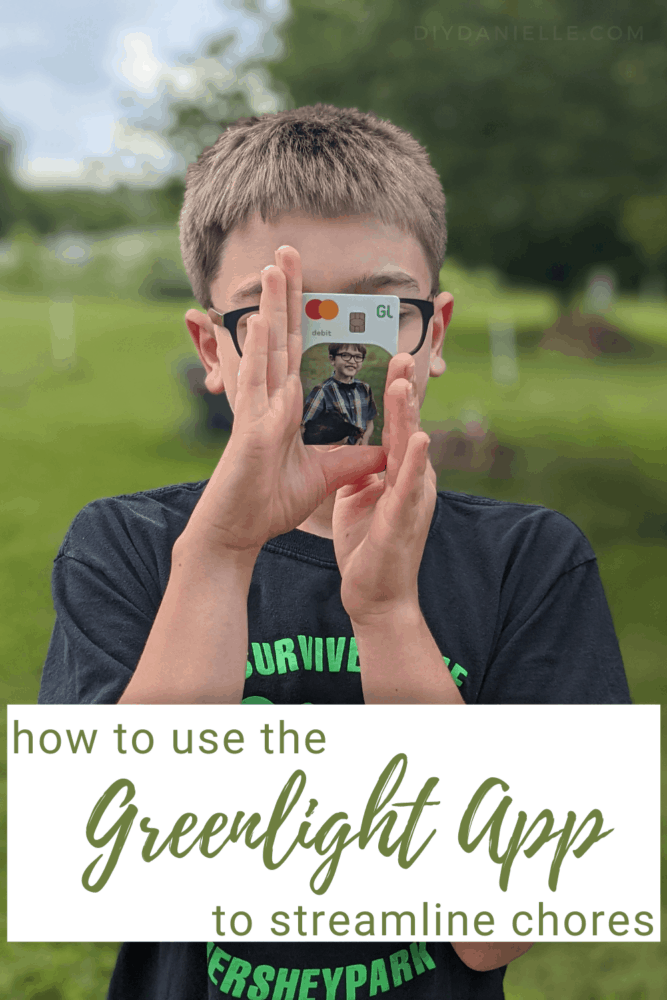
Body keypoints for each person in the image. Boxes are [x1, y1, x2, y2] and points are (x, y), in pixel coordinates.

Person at [38, 104, 631, 999]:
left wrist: (388, 613)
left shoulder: (532, 561)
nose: (330, 351)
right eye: (276, 315)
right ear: (212, 348)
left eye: (374, 309)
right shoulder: (124, 548)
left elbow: (497, 933)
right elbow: (119, 874)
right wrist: (223, 550)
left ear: (432, 334)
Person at [302, 343, 378, 445]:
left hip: (360, 452)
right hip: (332, 454)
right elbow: (304, 428)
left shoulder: (365, 388)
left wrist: (364, 439)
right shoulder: (321, 391)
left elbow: (369, 422)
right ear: (332, 359)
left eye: (358, 357)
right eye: (345, 355)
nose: (352, 361)